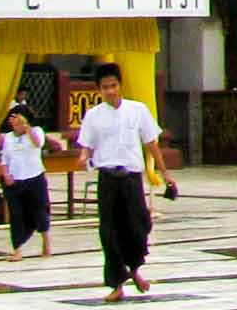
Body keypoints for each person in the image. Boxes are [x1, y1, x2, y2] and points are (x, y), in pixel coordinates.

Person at [74, 63, 163, 303]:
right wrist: (83, 158)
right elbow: (87, 145)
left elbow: (151, 143)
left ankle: (134, 269)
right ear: (99, 90)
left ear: (120, 85)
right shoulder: (93, 116)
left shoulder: (137, 110)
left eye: (113, 85)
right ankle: (117, 283)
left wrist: (165, 172)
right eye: (105, 87)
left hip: (132, 177)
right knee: (110, 231)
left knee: (139, 225)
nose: (110, 91)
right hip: (108, 178)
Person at [0, 105, 61, 261]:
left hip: (34, 177)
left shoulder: (36, 132)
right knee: (16, 214)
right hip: (15, 180)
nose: (15, 124)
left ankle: (46, 244)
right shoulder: (8, 137)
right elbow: (4, 159)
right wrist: (5, 174)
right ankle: (18, 249)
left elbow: (38, 144)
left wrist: (27, 128)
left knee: (40, 210)